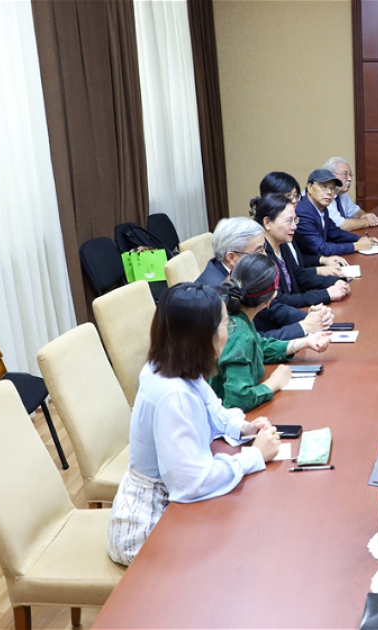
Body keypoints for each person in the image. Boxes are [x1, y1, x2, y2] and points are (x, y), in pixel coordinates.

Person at [107, 283, 280, 566]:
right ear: (203, 337)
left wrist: (242, 428)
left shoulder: (175, 364)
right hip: (148, 527)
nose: (228, 333)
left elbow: (213, 408)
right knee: (243, 550)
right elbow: (192, 483)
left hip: (170, 506)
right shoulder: (172, 394)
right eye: (225, 325)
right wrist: (254, 456)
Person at [211, 254, 330, 412]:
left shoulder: (234, 313)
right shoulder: (237, 332)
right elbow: (238, 400)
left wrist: (303, 342)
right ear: (271, 297)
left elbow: (256, 346)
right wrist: (274, 382)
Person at [196, 217, 332, 341]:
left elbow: (272, 308)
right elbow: (250, 342)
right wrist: (303, 327)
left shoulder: (241, 272)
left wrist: (310, 318)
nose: (266, 256)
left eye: (264, 249)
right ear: (232, 257)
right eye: (259, 251)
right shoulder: (216, 293)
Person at [253, 193, 351, 307]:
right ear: (267, 223)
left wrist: (334, 281)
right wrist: (326, 294)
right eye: (289, 221)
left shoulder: (282, 243)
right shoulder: (261, 255)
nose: (294, 226)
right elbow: (279, 300)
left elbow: (299, 276)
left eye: (295, 220)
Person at [254, 171, 351, 278]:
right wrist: (320, 272)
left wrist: (321, 260)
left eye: (296, 196)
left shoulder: (287, 226)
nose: (295, 201)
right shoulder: (262, 243)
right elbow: (290, 279)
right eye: (288, 196)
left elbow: (296, 261)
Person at [294, 169, 378, 257]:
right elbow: (321, 248)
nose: (329, 192)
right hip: (306, 263)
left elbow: (335, 233)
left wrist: (361, 239)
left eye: (332, 188)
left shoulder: (321, 208)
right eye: (324, 187)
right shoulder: (302, 212)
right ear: (310, 188)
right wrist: (355, 246)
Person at [321, 156, 378, 231]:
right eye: (345, 174)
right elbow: (341, 225)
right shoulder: (322, 196)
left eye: (350, 175)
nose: (349, 179)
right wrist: (368, 222)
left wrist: (365, 216)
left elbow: (356, 211)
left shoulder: (342, 194)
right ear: (330, 175)